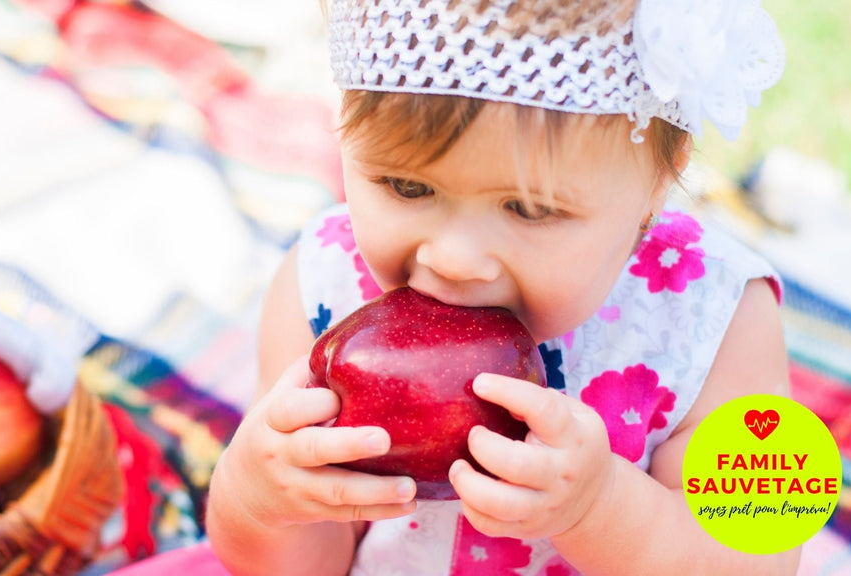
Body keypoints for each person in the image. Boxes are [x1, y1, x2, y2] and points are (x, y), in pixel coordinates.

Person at [206, 0, 796, 574]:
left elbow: (763, 552)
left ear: (655, 187)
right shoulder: (320, 284)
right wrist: (258, 502)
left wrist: (601, 507)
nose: (457, 260)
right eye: (407, 188)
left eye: (530, 208)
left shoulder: (722, 315)